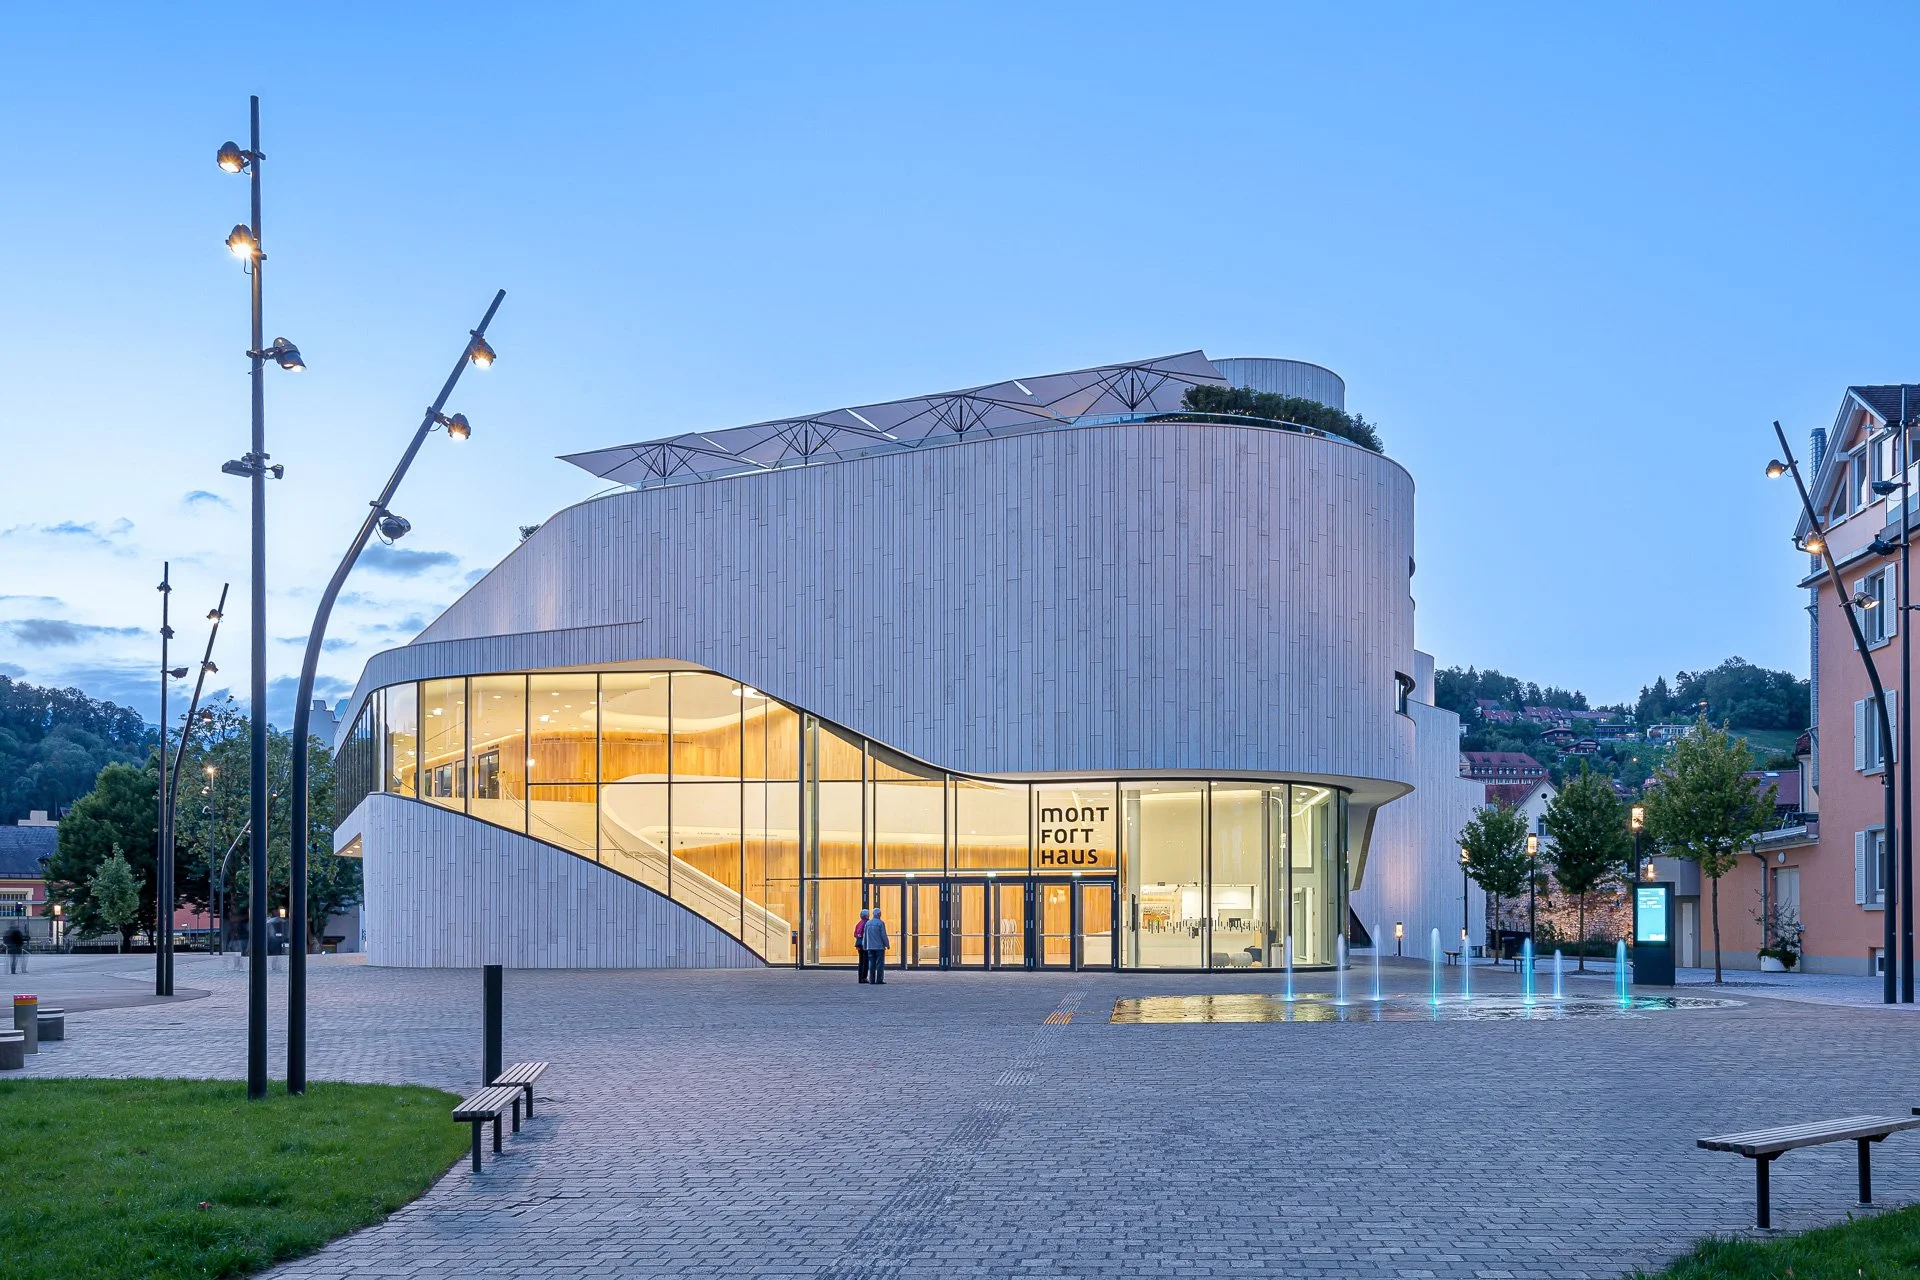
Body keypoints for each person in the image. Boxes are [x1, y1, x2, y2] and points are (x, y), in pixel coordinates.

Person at [864, 906, 890, 984]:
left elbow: (865, 936)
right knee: (880, 963)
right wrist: (887, 944)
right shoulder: (880, 923)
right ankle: (879, 979)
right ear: (879, 914)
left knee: (871, 963)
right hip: (879, 947)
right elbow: (883, 935)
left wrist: (865, 945)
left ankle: (871, 979)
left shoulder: (868, 923)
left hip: (870, 946)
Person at [854, 908, 870, 983]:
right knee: (866, 961)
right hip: (865, 944)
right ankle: (864, 977)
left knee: (861, 961)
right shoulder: (867, 923)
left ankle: (860, 977)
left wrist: (859, 936)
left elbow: (855, 934)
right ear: (867, 915)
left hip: (859, 944)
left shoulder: (858, 923)